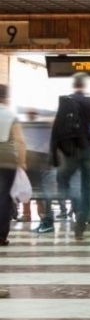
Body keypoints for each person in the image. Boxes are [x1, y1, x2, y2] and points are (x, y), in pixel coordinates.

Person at [52, 72, 90, 241]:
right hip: (88, 149)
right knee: (86, 188)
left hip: (70, 150)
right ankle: (80, 227)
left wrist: (56, 151)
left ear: (74, 84)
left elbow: (58, 128)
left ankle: (73, 201)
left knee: (62, 178)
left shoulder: (65, 102)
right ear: (85, 84)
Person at [0, 84, 28, 249]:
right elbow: (20, 140)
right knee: (4, 197)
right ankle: (1, 236)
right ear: (6, 98)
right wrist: (22, 162)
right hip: (7, 160)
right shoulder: (11, 116)